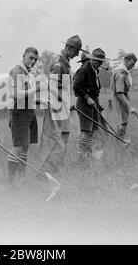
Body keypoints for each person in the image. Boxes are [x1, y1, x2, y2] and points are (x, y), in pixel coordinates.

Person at [38, 35, 83, 177]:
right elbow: (51, 87)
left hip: (61, 108)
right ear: (69, 48)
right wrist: (65, 101)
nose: (77, 55)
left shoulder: (65, 62)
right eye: (76, 51)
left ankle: (54, 172)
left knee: (63, 139)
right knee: (58, 143)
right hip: (56, 108)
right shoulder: (58, 63)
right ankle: (45, 174)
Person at [7, 47, 39, 183]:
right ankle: (12, 182)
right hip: (19, 113)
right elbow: (16, 94)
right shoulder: (17, 71)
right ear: (24, 56)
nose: (33, 61)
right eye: (31, 57)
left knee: (26, 146)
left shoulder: (29, 72)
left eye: (35, 59)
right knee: (18, 146)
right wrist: (35, 89)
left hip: (29, 111)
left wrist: (41, 100)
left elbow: (28, 96)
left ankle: (21, 179)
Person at [73, 48, 108, 167]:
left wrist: (96, 102)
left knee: (91, 130)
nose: (99, 63)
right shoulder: (84, 70)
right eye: (97, 61)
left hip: (93, 104)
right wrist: (87, 98)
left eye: (100, 62)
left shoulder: (94, 70)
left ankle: (85, 156)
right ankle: (83, 158)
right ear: (92, 59)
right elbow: (76, 87)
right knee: (86, 130)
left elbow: (95, 88)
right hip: (84, 104)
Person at [110, 52, 138, 139]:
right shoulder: (120, 73)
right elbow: (119, 93)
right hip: (120, 99)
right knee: (122, 122)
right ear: (126, 61)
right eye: (132, 63)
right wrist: (130, 107)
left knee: (124, 121)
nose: (133, 66)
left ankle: (120, 141)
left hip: (123, 97)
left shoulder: (124, 72)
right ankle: (119, 142)